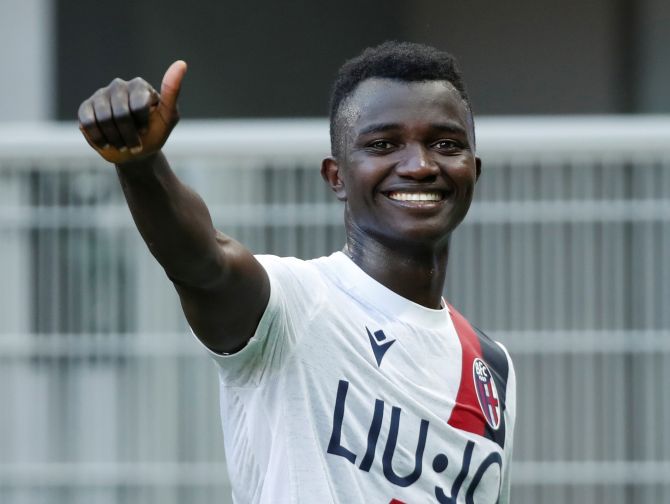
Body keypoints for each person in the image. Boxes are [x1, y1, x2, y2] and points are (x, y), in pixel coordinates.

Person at [78, 41, 516, 504]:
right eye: (383, 144)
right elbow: (202, 264)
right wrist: (141, 164)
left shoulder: (493, 365)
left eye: (445, 144)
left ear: (474, 170)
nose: (421, 166)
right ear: (337, 177)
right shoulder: (296, 303)